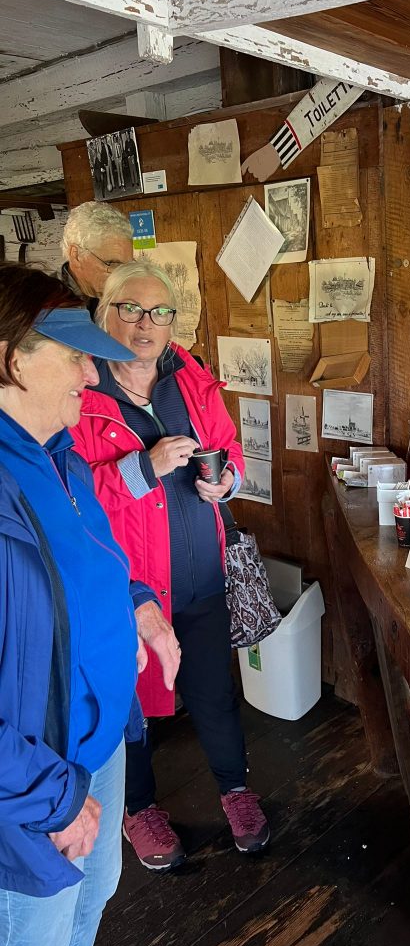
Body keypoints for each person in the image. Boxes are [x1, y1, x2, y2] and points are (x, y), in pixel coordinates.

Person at [0, 263, 180, 946]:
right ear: (13, 360)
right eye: (73, 355)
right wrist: (54, 797)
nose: (92, 373)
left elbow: (98, 563)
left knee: (89, 909)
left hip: (99, 745)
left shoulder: (63, 457)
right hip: (34, 780)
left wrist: (139, 604)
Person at [70, 261, 270, 871]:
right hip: (126, 588)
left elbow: (227, 444)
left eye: (160, 312)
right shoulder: (82, 390)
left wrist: (228, 479)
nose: (146, 324)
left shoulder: (189, 375)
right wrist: (141, 468)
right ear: (105, 312)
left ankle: (235, 790)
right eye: (131, 308)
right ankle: (139, 809)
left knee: (213, 691)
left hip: (200, 570)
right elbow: (71, 497)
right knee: (129, 703)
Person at [60, 201, 134, 315]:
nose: (122, 277)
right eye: (112, 264)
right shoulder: (47, 306)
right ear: (76, 255)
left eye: (127, 266)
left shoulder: (122, 299)